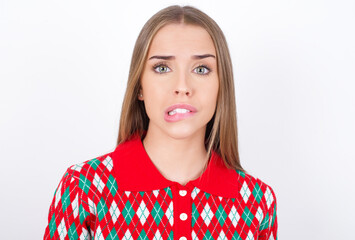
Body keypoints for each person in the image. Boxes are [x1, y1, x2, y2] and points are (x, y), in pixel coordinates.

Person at [43, 5, 277, 240]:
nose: (183, 86)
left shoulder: (258, 201)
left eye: (202, 69)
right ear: (139, 87)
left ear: (221, 86)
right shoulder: (83, 189)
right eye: (162, 68)